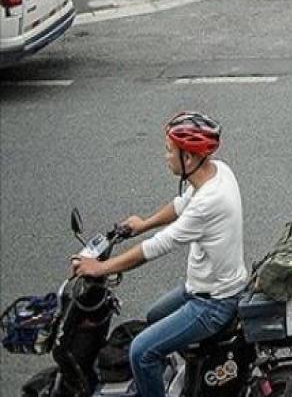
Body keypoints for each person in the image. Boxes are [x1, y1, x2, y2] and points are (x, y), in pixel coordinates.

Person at [70, 112, 247, 397]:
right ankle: (190, 375)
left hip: (213, 304)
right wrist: (144, 223)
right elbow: (181, 204)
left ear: (188, 158)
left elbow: (156, 247)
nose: (165, 156)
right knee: (154, 316)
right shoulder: (218, 172)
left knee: (141, 352)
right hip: (203, 288)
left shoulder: (209, 203)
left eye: (168, 151)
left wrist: (99, 268)